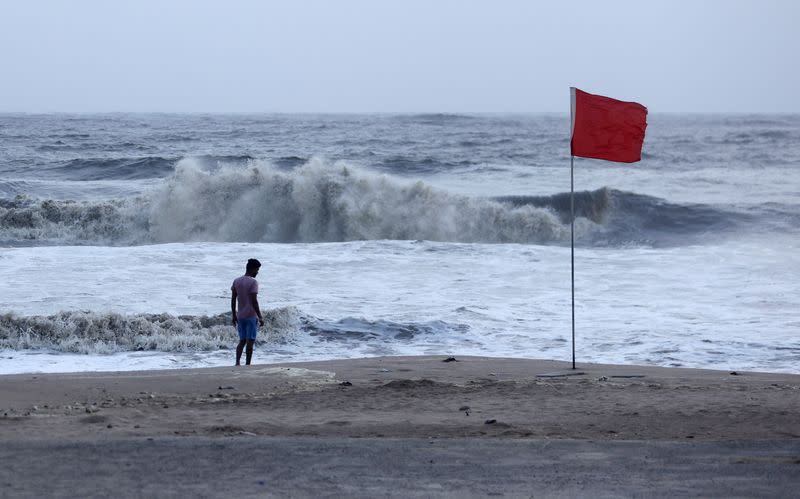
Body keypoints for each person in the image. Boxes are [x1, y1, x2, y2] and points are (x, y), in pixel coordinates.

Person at [231, 258, 264, 365]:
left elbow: (233, 299)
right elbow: (254, 301)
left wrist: (233, 315)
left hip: (240, 316)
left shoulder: (236, 281)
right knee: (250, 341)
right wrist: (260, 316)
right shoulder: (253, 282)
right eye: (257, 270)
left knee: (242, 341)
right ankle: (248, 364)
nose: (257, 272)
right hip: (250, 315)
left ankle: (237, 362)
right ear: (253, 269)